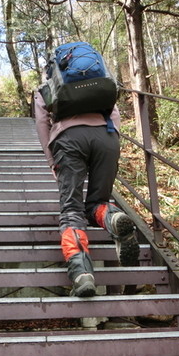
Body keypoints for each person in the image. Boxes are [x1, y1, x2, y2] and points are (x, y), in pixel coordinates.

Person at [33, 90, 140, 297]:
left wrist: (51, 159)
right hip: (107, 137)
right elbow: (114, 111)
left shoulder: (47, 85)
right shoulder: (99, 77)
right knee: (98, 201)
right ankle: (113, 218)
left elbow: (41, 122)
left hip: (69, 139)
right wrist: (112, 138)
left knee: (72, 211)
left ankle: (81, 274)